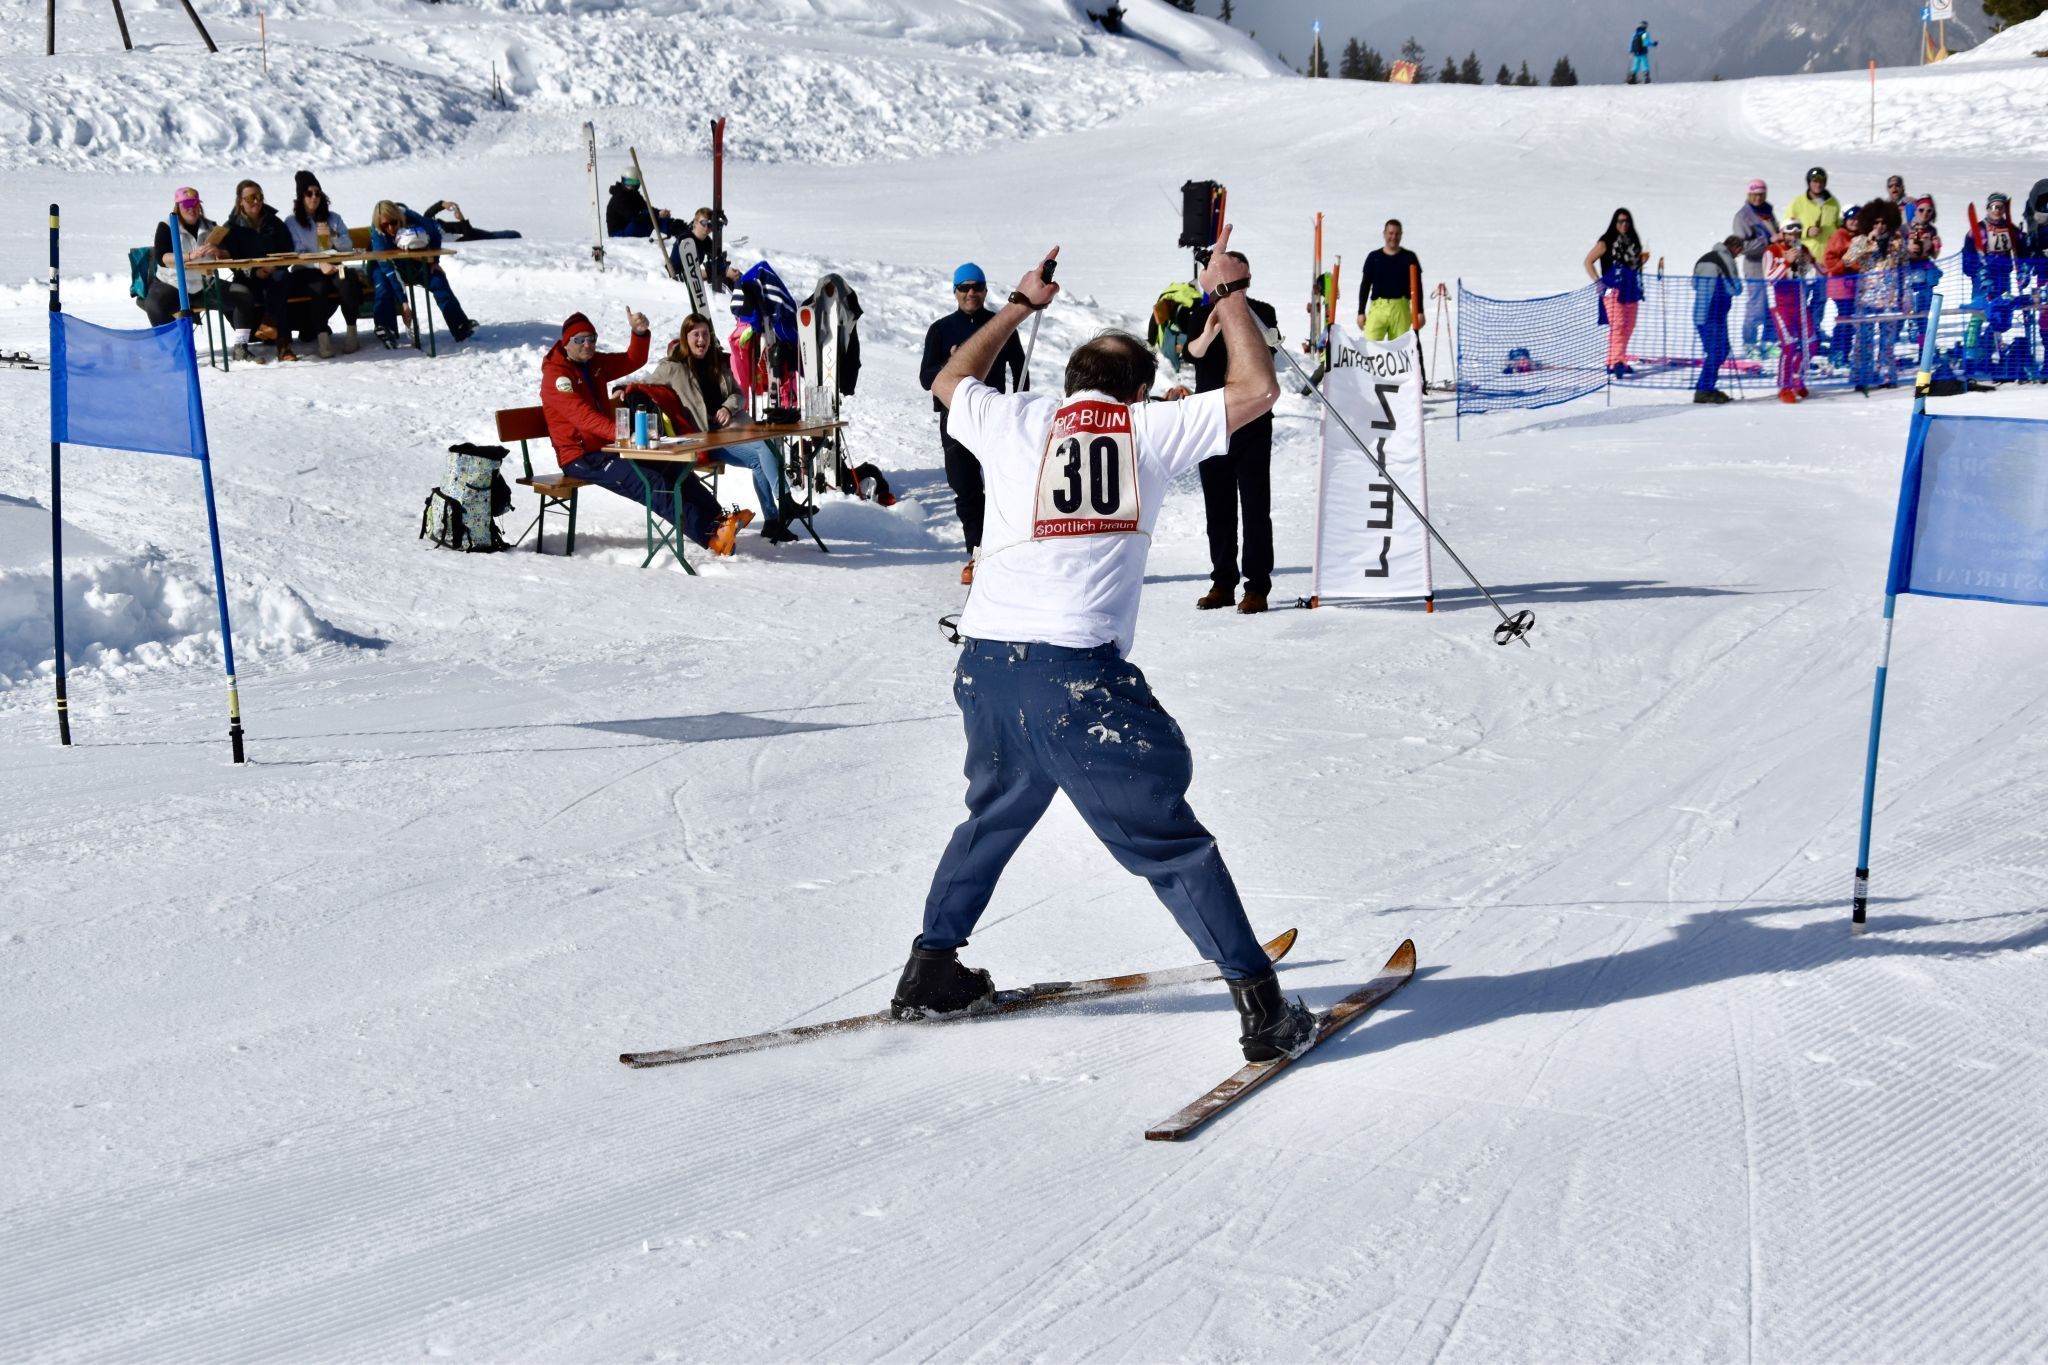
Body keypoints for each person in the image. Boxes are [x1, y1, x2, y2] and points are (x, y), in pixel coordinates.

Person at [892, 229, 1315, 1065]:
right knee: (1166, 834)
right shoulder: (1148, 429)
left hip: (985, 666)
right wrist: (1227, 292)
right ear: (1142, 388)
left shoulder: (1018, 417)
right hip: (1072, 675)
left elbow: (948, 379)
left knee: (997, 811)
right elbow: (1259, 386)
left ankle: (931, 967)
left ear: (1069, 382)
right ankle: (1263, 1007)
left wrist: (1018, 303)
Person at [539, 310, 748, 556]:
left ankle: (721, 521)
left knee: (674, 468)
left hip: (611, 447)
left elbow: (632, 360)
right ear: (566, 343)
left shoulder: (593, 364)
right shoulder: (557, 376)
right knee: (651, 482)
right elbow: (583, 417)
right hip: (580, 457)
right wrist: (624, 435)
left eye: (592, 339)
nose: (588, 345)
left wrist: (639, 333)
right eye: (580, 340)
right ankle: (711, 536)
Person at [1171, 254, 1279, 614]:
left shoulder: (1263, 310)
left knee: (1254, 505)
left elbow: (1270, 349)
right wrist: (1214, 327)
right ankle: (1222, 581)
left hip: (1252, 419)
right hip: (1211, 420)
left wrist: (1240, 313)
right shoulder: (1202, 313)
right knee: (1218, 507)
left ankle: (1257, 585)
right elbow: (1193, 352)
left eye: (1239, 278)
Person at [646, 313, 800, 544]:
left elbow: (738, 395)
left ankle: (772, 520)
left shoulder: (717, 362)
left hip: (730, 431)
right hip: (704, 441)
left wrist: (728, 407)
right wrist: (621, 388)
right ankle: (784, 502)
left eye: (705, 334)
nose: (701, 339)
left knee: (762, 453)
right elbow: (645, 384)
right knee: (763, 446)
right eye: (696, 334)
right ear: (685, 338)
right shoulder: (673, 367)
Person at [919, 263, 1026, 586]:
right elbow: (926, 378)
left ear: (985, 290)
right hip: (955, 418)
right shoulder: (941, 329)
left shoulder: (999, 325)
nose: (970, 293)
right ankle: (976, 553)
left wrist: (1018, 407)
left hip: (994, 415)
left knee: (1000, 485)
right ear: (954, 291)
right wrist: (950, 363)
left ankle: (1004, 551)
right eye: (964, 287)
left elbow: (1021, 369)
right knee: (965, 488)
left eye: (977, 287)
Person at [366, 200, 477, 346]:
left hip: (415, 261)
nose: (390, 228)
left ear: (400, 218)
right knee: (385, 285)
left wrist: (434, 262)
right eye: (385, 225)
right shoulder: (378, 234)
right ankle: (386, 329)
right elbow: (389, 270)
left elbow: (435, 233)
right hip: (385, 266)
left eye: (393, 223)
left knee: (438, 281)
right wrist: (404, 303)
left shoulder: (414, 219)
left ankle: (460, 326)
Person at [282, 170, 359, 357]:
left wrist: (333, 236)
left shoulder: (333, 218)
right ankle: (323, 339)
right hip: (306, 269)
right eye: (309, 193)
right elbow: (297, 253)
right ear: (301, 197)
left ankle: (352, 333)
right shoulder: (292, 222)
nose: (314, 197)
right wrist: (319, 264)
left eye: (317, 193)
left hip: (334, 265)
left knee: (347, 281)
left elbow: (348, 246)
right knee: (318, 287)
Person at [223, 179, 297, 363]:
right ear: (240, 201)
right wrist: (253, 272)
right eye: (250, 198)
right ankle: (243, 345)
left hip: (273, 274)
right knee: (246, 293)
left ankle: (282, 343)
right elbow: (230, 259)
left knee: (281, 280)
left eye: (259, 197)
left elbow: (288, 249)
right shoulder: (232, 227)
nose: (255, 201)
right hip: (246, 277)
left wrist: (273, 266)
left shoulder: (274, 222)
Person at [1844, 199, 1905, 393]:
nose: (1880, 226)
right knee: (1863, 338)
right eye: (1876, 222)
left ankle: (1887, 373)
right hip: (1866, 297)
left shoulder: (1897, 241)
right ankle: (1861, 375)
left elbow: (1905, 267)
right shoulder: (1860, 240)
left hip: (1889, 296)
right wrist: (1869, 242)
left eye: (1884, 222)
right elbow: (1848, 260)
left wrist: (1906, 295)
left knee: (1888, 339)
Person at [141, 187, 224, 328]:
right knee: (154, 305)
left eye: (195, 204)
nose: (192, 208)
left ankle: (241, 343)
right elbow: (162, 258)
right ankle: (173, 345)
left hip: (204, 286)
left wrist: (219, 252)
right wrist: (189, 256)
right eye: (186, 204)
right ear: (178, 207)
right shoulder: (166, 226)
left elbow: (227, 254)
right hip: (172, 284)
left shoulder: (211, 226)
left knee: (242, 296)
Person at [1583, 208, 1646, 378]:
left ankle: (1614, 360)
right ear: (1614, 223)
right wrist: (1598, 281)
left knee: (1629, 325)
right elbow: (1588, 261)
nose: (1624, 225)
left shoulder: (1632, 241)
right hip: (1612, 289)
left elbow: (1634, 265)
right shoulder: (1606, 242)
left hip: (1631, 288)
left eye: (1626, 221)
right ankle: (1617, 361)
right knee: (1617, 325)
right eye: (1620, 221)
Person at [1786, 166, 1841, 348]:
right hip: (1805, 260)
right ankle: (1797, 332)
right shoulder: (1798, 202)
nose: (1818, 184)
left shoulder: (1833, 203)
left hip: (1825, 261)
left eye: (1821, 181)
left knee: (1820, 299)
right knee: (1801, 298)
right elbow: (1786, 228)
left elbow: (1838, 228)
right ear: (1809, 183)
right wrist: (1807, 231)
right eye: (1814, 181)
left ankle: (1814, 330)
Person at [1765, 220, 1814, 402]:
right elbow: (1769, 279)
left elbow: (1811, 279)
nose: (1794, 237)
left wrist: (1806, 263)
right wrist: (1787, 262)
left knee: (1812, 343)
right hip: (1780, 305)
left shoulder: (1804, 249)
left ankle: (1797, 376)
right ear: (1783, 234)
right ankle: (1784, 387)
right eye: (1790, 234)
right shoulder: (1772, 250)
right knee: (1790, 345)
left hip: (1800, 303)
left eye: (1797, 234)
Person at [1690, 235, 1741, 404]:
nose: (1738, 255)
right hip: (1715, 314)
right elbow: (1735, 287)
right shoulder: (1724, 259)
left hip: (1699, 314)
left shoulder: (1704, 258)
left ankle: (1707, 387)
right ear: (1735, 247)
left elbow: (1694, 284)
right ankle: (1703, 389)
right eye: (1739, 251)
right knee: (1717, 352)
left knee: (1718, 351)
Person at [1356, 219, 1424, 344]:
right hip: (1378, 307)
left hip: (1400, 308)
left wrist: (1419, 311)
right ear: (1384, 234)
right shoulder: (1374, 257)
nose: (1393, 237)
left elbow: (1417, 287)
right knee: (1369, 347)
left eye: (1397, 234)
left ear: (1401, 235)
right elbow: (1365, 285)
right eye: (1391, 233)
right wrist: (1361, 311)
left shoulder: (1409, 257)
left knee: (1400, 350)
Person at [1734, 179, 1779, 352]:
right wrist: (1767, 241)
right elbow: (1741, 246)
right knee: (1757, 306)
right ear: (1749, 194)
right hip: (1755, 266)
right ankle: (1749, 343)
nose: (1758, 198)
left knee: (1772, 306)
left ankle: (1769, 340)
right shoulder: (1743, 216)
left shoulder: (1768, 212)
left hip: (1773, 266)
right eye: (1754, 195)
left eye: (1761, 194)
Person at [1822, 203, 1864, 366]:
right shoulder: (1840, 235)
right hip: (1842, 285)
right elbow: (1829, 261)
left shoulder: (1860, 236)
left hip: (1855, 285)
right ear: (1845, 219)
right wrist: (1846, 263)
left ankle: (1843, 353)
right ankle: (1838, 354)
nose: (1854, 222)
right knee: (1845, 320)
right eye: (1851, 219)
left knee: (1850, 321)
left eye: (1857, 219)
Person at [1903, 195, 1942, 344]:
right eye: (1921, 210)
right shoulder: (1905, 228)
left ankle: (1924, 335)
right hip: (1909, 269)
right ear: (1915, 210)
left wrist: (1936, 246)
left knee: (1926, 302)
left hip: (1925, 268)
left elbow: (1934, 255)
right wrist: (1907, 248)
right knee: (1912, 302)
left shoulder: (1931, 229)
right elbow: (1895, 249)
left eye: (1929, 211)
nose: (1925, 213)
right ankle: (1912, 326)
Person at [420, 199, 521, 242]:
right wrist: (462, 219)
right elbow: (468, 237)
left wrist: (443, 204)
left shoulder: (425, 226)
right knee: (511, 235)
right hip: (473, 234)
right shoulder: (441, 239)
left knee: (494, 234)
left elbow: (428, 214)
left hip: (468, 229)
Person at [605, 173, 671, 239]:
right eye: (627, 181)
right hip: (617, 234)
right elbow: (634, 218)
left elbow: (646, 207)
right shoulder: (618, 199)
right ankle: (669, 229)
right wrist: (657, 214)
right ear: (623, 181)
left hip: (629, 226)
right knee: (649, 217)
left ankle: (672, 228)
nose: (630, 185)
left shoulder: (634, 194)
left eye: (633, 182)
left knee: (649, 213)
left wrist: (661, 212)